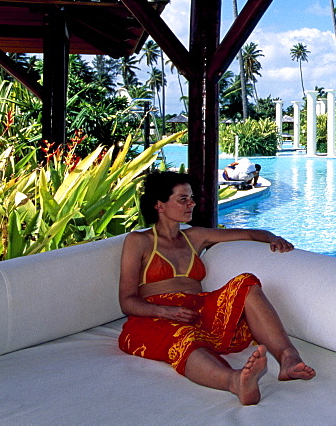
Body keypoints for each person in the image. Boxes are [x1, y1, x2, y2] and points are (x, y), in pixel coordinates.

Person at [118, 171, 314, 405]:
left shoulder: (195, 236)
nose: (191, 203)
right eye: (183, 199)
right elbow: (127, 301)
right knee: (183, 336)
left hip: (196, 311)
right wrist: (166, 312)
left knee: (246, 283)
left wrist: (272, 237)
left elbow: (250, 233)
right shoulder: (138, 241)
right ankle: (234, 381)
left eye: (191, 197)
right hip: (154, 317)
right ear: (159, 205)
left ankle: (288, 357)